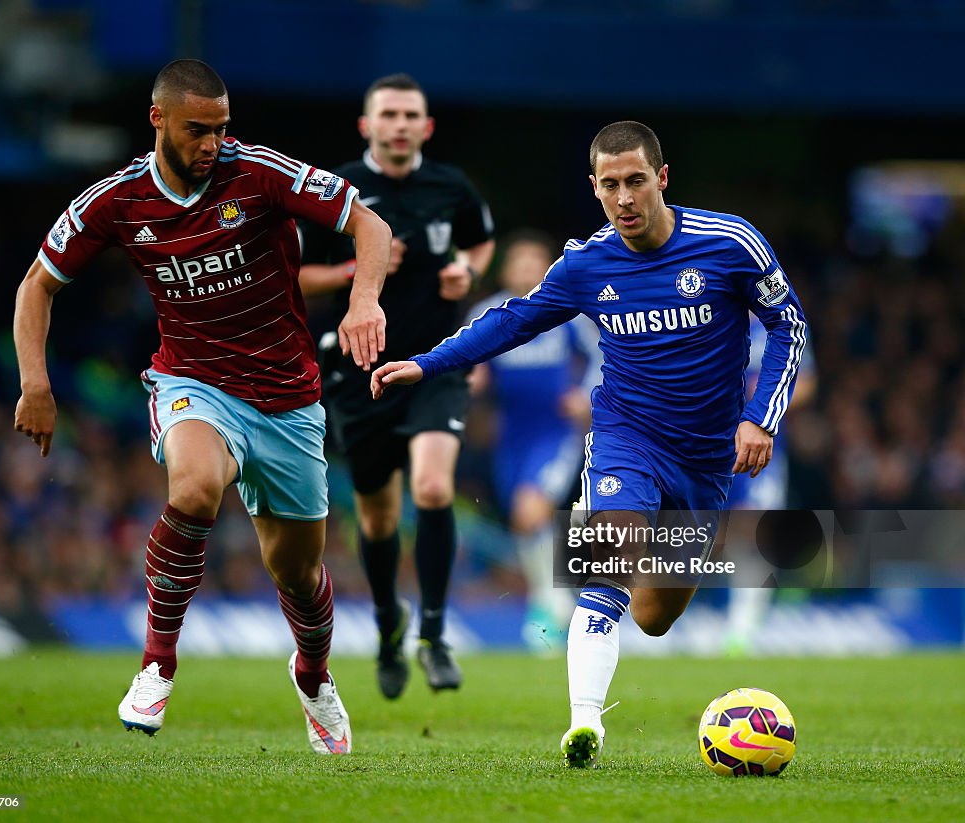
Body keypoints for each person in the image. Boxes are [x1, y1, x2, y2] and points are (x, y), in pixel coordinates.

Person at [371, 121, 807, 767]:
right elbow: (514, 319)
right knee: (611, 557)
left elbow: (788, 325)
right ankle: (584, 726)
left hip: (708, 456)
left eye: (636, 181)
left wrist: (760, 418)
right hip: (625, 435)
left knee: (657, 613)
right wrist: (429, 364)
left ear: (661, 179)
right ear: (595, 188)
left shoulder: (729, 242)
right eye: (610, 185)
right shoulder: (586, 263)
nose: (625, 197)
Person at [12, 59, 391, 755]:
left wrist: (365, 298)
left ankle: (312, 677)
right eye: (196, 130)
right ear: (157, 119)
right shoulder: (118, 199)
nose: (212, 143)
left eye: (220, 129)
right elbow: (38, 283)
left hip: (287, 397)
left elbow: (368, 222)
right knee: (193, 490)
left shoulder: (259, 174)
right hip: (193, 381)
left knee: (299, 574)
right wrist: (35, 381)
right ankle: (158, 661)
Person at [299, 73, 494, 698]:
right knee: (379, 519)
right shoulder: (334, 191)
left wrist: (467, 268)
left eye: (412, 114)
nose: (401, 124)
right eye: (389, 114)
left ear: (427, 127)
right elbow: (294, 275)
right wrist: (358, 269)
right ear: (367, 126)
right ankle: (389, 623)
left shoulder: (451, 186)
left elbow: (481, 242)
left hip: (437, 362)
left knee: (434, 487)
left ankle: (434, 634)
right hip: (359, 370)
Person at [464, 230, 602, 652]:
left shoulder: (567, 312)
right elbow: (470, 360)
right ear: (506, 269)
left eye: (534, 261)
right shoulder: (488, 312)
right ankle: (553, 602)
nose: (526, 270)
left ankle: (549, 605)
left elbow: (605, 354)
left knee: (531, 509)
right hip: (512, 436)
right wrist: (474, 379)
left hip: (556, 433)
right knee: (525, 523)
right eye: (518, 262)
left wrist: (587, 395)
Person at [721, 317, 817, 655]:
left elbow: (805, 383)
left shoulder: (780, 321)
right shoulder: (709, 310)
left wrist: (765, 397)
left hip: (762, 447)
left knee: (753, 530)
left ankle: (743, 628)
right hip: (708, 443)